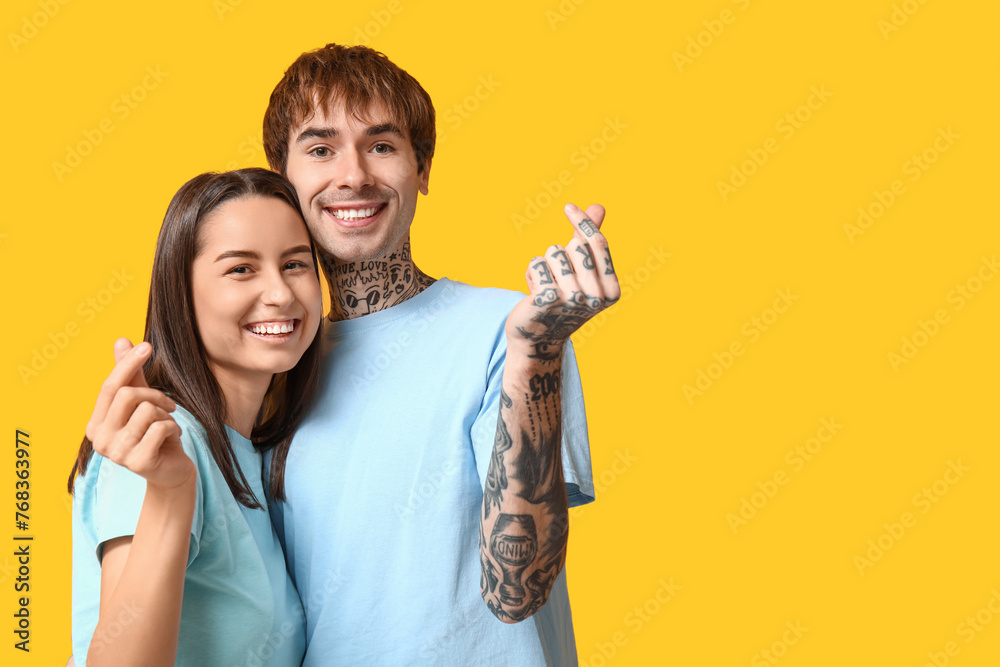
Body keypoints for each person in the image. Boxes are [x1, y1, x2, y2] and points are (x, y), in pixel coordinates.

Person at [259, 44, 621, 665]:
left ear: (421, 168)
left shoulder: (507, 330)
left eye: (381, 145)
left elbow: (517, 589)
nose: (352, 176)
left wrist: (534, 352)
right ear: (285, 182)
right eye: (320, 150)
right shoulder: (274, 363)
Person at [68, 168, 324, 666]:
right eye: (241, 269)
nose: (281, 294)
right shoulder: (160, 440)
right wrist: (170, 493)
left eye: (295, 264)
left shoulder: (250, 450)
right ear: (180, 292)